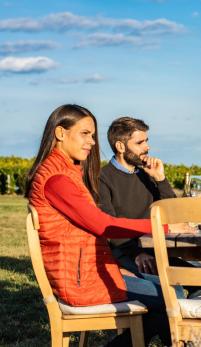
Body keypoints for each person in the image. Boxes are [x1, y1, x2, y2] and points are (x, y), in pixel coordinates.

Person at [24, 104, 186, 346]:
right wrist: (164, 229)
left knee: (171, 294)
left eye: (93, 135)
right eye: (85, 133)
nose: (91, 142)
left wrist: (116, 267)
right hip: (80, 280)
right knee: (173, 296)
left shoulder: (66, 171)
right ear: (60, 133)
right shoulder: (57, 179)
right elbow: (103, 225)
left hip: (88, 270)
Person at [99, 116, 176, 276]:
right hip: (125, 253)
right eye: (140, 143)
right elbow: (109, 227)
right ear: (120, 146)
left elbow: (173, 214)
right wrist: (136, 254)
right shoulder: (102, 178)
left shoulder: (147, 173)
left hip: (156, 249)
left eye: (146, 141)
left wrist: (160, 179)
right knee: (174, 289)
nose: (147, 147)